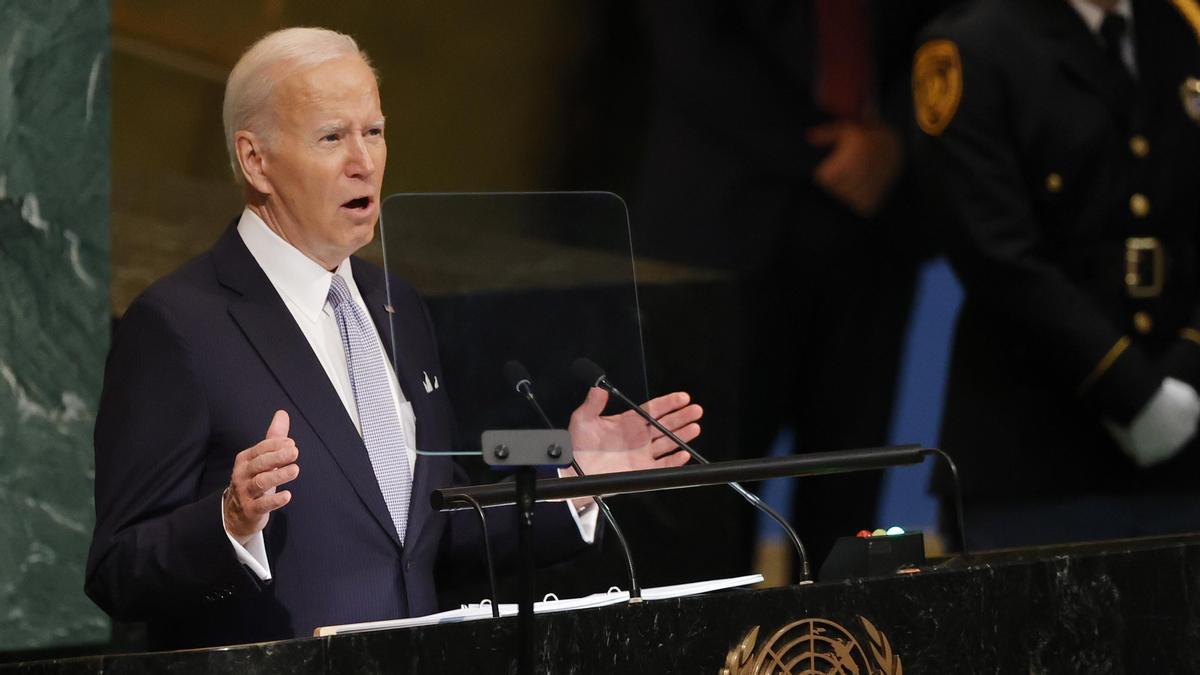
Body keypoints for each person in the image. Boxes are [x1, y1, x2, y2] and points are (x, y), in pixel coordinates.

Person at [84, 27, 701, 649]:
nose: (364, 161)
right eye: (332, 137)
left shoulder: (395, 304)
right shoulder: (178, 325)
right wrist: (229, 522)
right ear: (256, 160)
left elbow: (430, 524)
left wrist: (572, 475)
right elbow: (118, 570)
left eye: (374, 131)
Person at [632, 0, 950, 573]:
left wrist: (897, 139)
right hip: (723, 233)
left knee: (851, 508)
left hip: (875, 228)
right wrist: (836, 151)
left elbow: (947, 28)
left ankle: (842, 656)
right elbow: (695, 42)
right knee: (709, 497)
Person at [913, 0, 1200, 549]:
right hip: (1037, 458)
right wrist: (1132, 391)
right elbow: (996, 254)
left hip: (1188, 453)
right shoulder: (972, 45)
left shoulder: (1183, 30)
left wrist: (1188, 370)